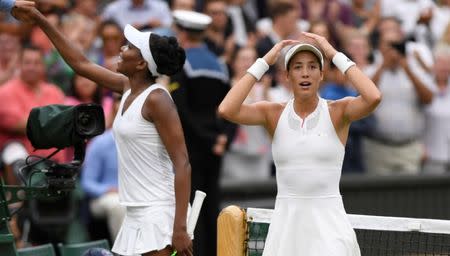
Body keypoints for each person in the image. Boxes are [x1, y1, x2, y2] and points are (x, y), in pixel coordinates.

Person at [10, 1, 193, 256]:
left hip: (158, 213)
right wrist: (40, 19)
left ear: (141, 64)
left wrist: (180, 227)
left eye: (129, 47)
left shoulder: (157, 99)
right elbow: (81, 64)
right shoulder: (129, 88)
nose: (121, 48)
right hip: (134, 212)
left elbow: (182, 162)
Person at [218, 32, 382, 255]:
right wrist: (264, 62)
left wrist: (334, 53)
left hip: (330, 227)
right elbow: (227, 109)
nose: (305, 73)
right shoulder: (273, 113)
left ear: (321, 74)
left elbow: (373, 97)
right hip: (286, 229)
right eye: (297, 67)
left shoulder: (338, 111)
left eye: (313, 66)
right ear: (287, 75)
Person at [170, 10, 236, 256]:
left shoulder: (181, 65)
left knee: (191, 208)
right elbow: (230, 107)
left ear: (183, 32)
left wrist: (208, 140)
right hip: (216, 146)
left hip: (192, 148)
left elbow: (181, 111)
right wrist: (223, 140)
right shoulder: (220, 64)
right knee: (211, 205)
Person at [81, 93, 124, 242]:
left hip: (137, 194)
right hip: (106, 198)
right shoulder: (100, 142)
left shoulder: (147, 141)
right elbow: (87, 183)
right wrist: (107, 189)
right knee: (119, 205)